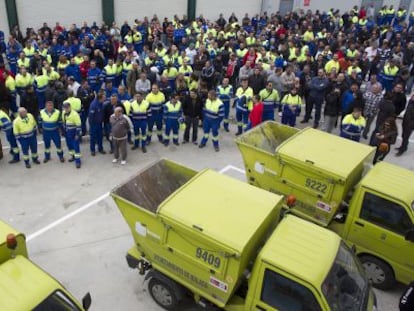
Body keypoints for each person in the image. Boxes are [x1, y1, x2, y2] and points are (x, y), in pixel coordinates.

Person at [62, 102, 82, 168]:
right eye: (65, 108)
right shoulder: (63, 113)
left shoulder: (75, 114)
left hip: (74, 132)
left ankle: (78, 161)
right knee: (70, 146)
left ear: (70, 107)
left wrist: (77, 134)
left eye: (67, 108)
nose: (66, 109)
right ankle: (72, 156)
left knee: (76, 147)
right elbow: (63, 122)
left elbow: (78, 125)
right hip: (67, 132)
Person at [88, 90, 106, 156]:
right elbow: (91, 116)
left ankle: (100, 149)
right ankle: (92, 150)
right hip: (94, 124)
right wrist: (91, 126)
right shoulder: (93, 105)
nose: (105, 99)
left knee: (100, 137)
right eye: (104, 98)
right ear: (100, 98)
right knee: (93, 138)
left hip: (99, 124)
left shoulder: (101, 103)